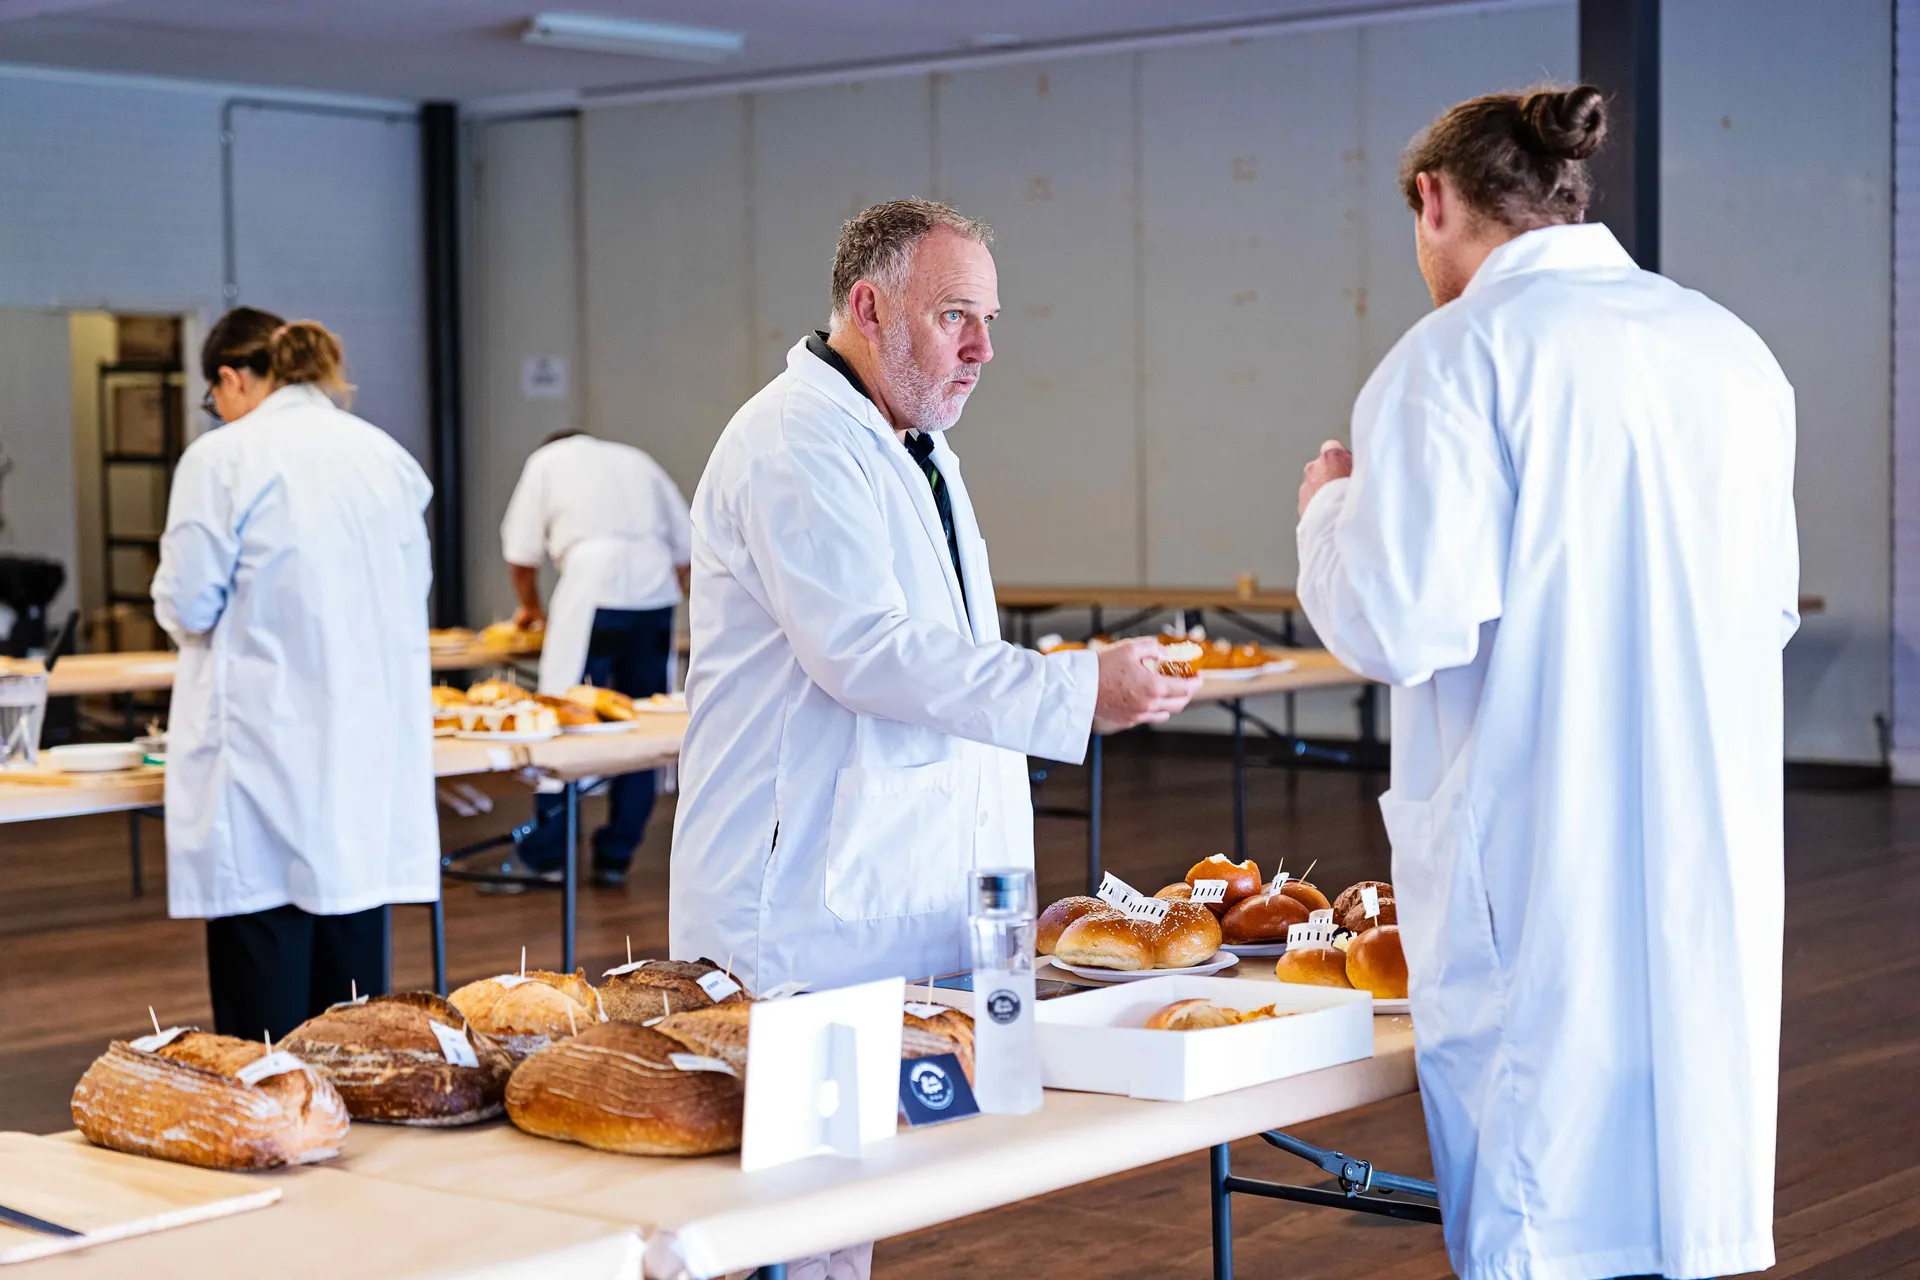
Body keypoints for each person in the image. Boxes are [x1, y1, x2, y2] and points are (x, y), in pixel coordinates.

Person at [1295, 86, 1796, 1280]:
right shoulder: (1728, 349)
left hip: (1539, 862)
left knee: (1547, 1200)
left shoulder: (1457, 355)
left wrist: (1327, 511)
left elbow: (1395, 618)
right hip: (1702, 845)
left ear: (1434, 200)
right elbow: (1765, 608)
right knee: (1674, 1188)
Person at [673, 198, 1197, 990]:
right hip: (805, 916)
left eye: (987, 319)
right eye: (955, 316)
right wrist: (1077, 688)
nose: (983, 348)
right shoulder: (794, 438)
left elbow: (946, 649)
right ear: (868, 309)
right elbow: (866, 653)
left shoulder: (916, 445)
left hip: (912, 886)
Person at [153, 309, 437, 1042]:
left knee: (266, 1010)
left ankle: (272, 1125)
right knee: (351, 1012)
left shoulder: (224, 457)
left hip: (262, 750)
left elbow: (188, 601)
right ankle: (358, 1142)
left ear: (228, 378)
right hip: (363, 754)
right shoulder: (383, 456)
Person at [498, 430, 692, 886]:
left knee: (565, 719)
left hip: (592, 592)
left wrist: (531, 608)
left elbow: (520, 553)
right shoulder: (637, 456)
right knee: (641, 720)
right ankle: (616, 855)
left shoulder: (547, 460)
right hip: (654, 592)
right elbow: (686, 552)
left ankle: (545, 856)